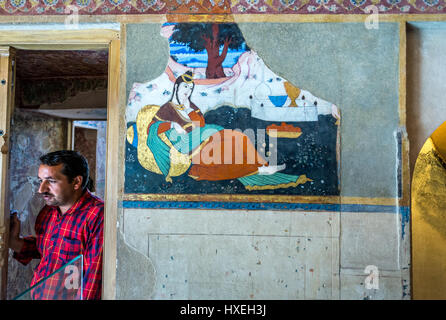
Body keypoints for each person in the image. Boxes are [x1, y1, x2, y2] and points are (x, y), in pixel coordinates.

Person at [146, 71, 287, 184]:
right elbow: (150, 128)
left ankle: (263, 165)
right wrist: (172, 124)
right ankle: (258, 169)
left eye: (190, 88)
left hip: (204, 137)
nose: (187, 91)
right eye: (185, 87)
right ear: (176, 87)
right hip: (190, 148)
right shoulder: (167, 109)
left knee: (240, 137)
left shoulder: (191, 106)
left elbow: (200, 125)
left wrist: (189, 110)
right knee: (228, 155)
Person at [9, 150, 103, 300]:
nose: (41, 189)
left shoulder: (97, 216)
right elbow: (51, 250)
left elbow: (94, 279)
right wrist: (15, 242)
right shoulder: (48, 211)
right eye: (41, 181)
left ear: (76, 182)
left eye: (51, 181)